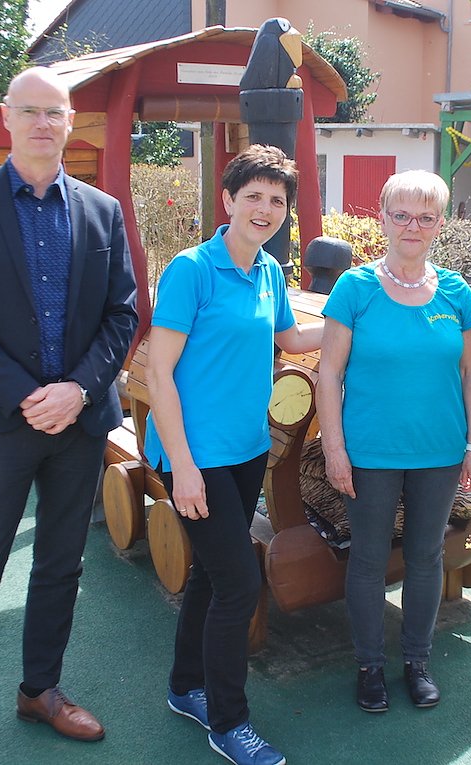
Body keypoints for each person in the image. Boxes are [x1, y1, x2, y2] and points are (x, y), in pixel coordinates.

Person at [0, 67, 139, 765]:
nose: (43, 123)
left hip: (78, 423)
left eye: (55, 111)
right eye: (30, 111)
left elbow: (123, 314)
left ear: (71, 121)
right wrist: (27, 394)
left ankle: (40, 690)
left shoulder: (102, 211)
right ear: (7, 118)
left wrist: (77, 390)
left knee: (59, 567)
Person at [146, 144, 321, 765]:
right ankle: (228, 721)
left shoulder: (268, 271)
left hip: (246, 452)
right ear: (227, 200)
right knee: (240, 583)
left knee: (211, 573)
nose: (265, 209)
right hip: (194, 457)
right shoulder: (191, 270)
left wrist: (359, 313)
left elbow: (291, 338)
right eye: (253, 196)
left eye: (277, 200)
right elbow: (159, 372)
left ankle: (184, 686)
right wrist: (183, 468)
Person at [317, 170, 471, 713]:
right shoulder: (355, 288)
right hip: (370, 453)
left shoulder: (456, 292)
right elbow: (328, 373)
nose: (413, 226)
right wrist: (335, 449)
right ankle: (369, 665)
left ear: (440, 224)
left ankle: (417, 660)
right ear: (383, 217)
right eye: (402, 215)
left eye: (426, 217)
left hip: (440, 452)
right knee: (368, 559)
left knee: (426, 555)